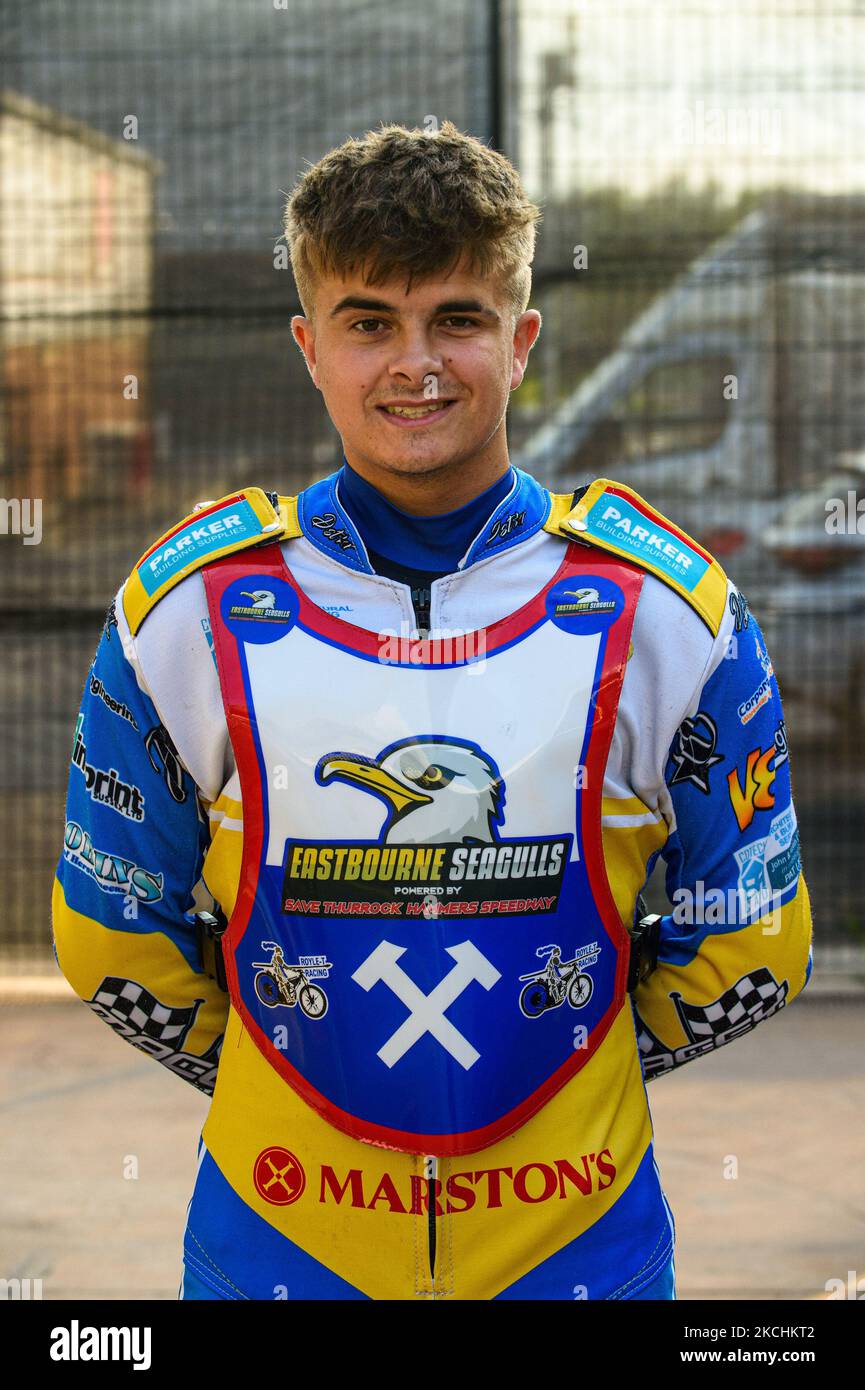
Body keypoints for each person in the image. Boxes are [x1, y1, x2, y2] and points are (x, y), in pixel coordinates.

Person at [52, 121, 812, 1301]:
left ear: (523, 342)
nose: (417, 363)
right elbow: (112, 930)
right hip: (277, 1245)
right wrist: (287, 1085)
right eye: (370, 322)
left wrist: (571, 1068)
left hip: (582, 1248)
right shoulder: (185, 611)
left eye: (457, 318)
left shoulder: (671, 611)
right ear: (310, 345)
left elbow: (752, 934)